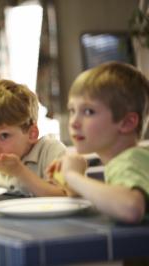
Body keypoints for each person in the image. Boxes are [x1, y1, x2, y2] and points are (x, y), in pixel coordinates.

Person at [49, 62, 149, 223]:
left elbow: (130, 208)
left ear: (127, 122)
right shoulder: (132, 160)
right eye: (72, 110)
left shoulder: (129, 161)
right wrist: (73, 186)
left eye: (88, 111)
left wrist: (72, 176)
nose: (74, 122)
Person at [0, 79, 67, 197]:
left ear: (32, 134)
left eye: (4, 136)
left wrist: (20, 172)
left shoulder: (51, 151)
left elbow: (64, 195)